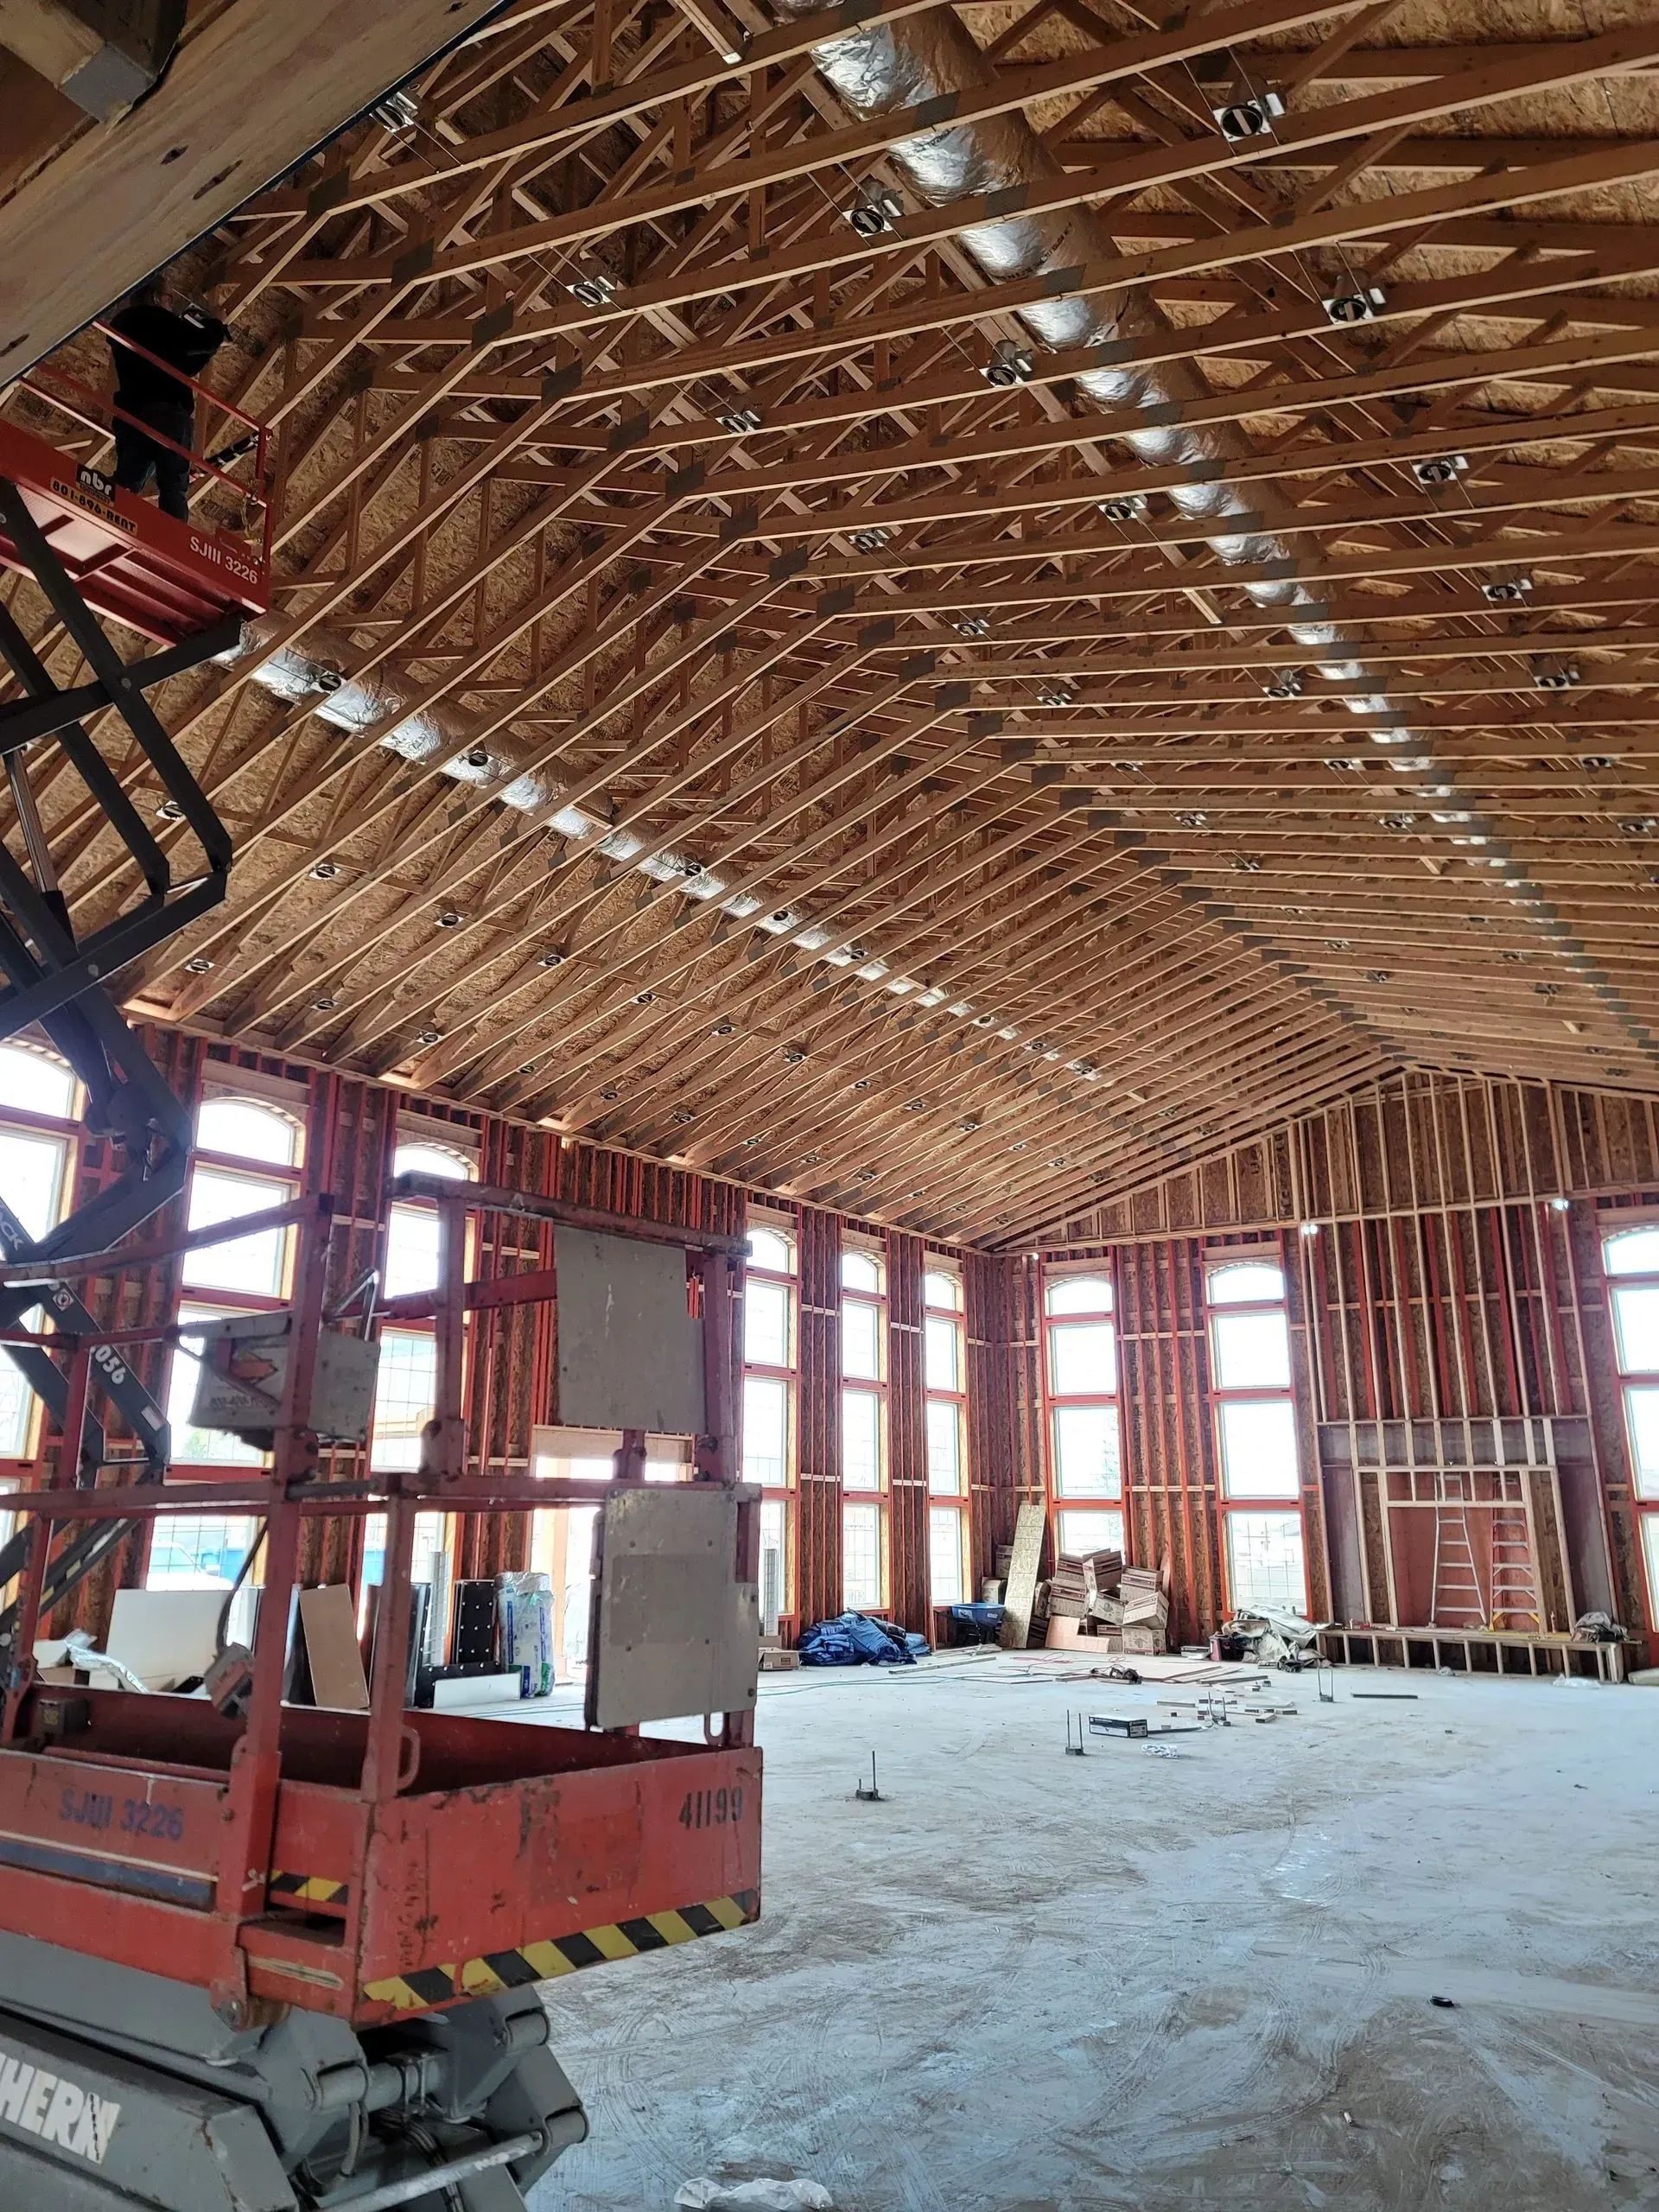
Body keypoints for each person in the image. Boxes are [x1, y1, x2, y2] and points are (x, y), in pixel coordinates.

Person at [106, 278, 228, 521]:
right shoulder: (157, 320)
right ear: (154, 297)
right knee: (173, 482)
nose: (170, 304)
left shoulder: (126, 326)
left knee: (129, 476)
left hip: (132, 413)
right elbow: (199, 342)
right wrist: (217, 324)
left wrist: (210, 346)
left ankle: (106, 508)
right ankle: (174, 532)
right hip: (167, 413)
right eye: (168, 298)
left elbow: (183, 366)